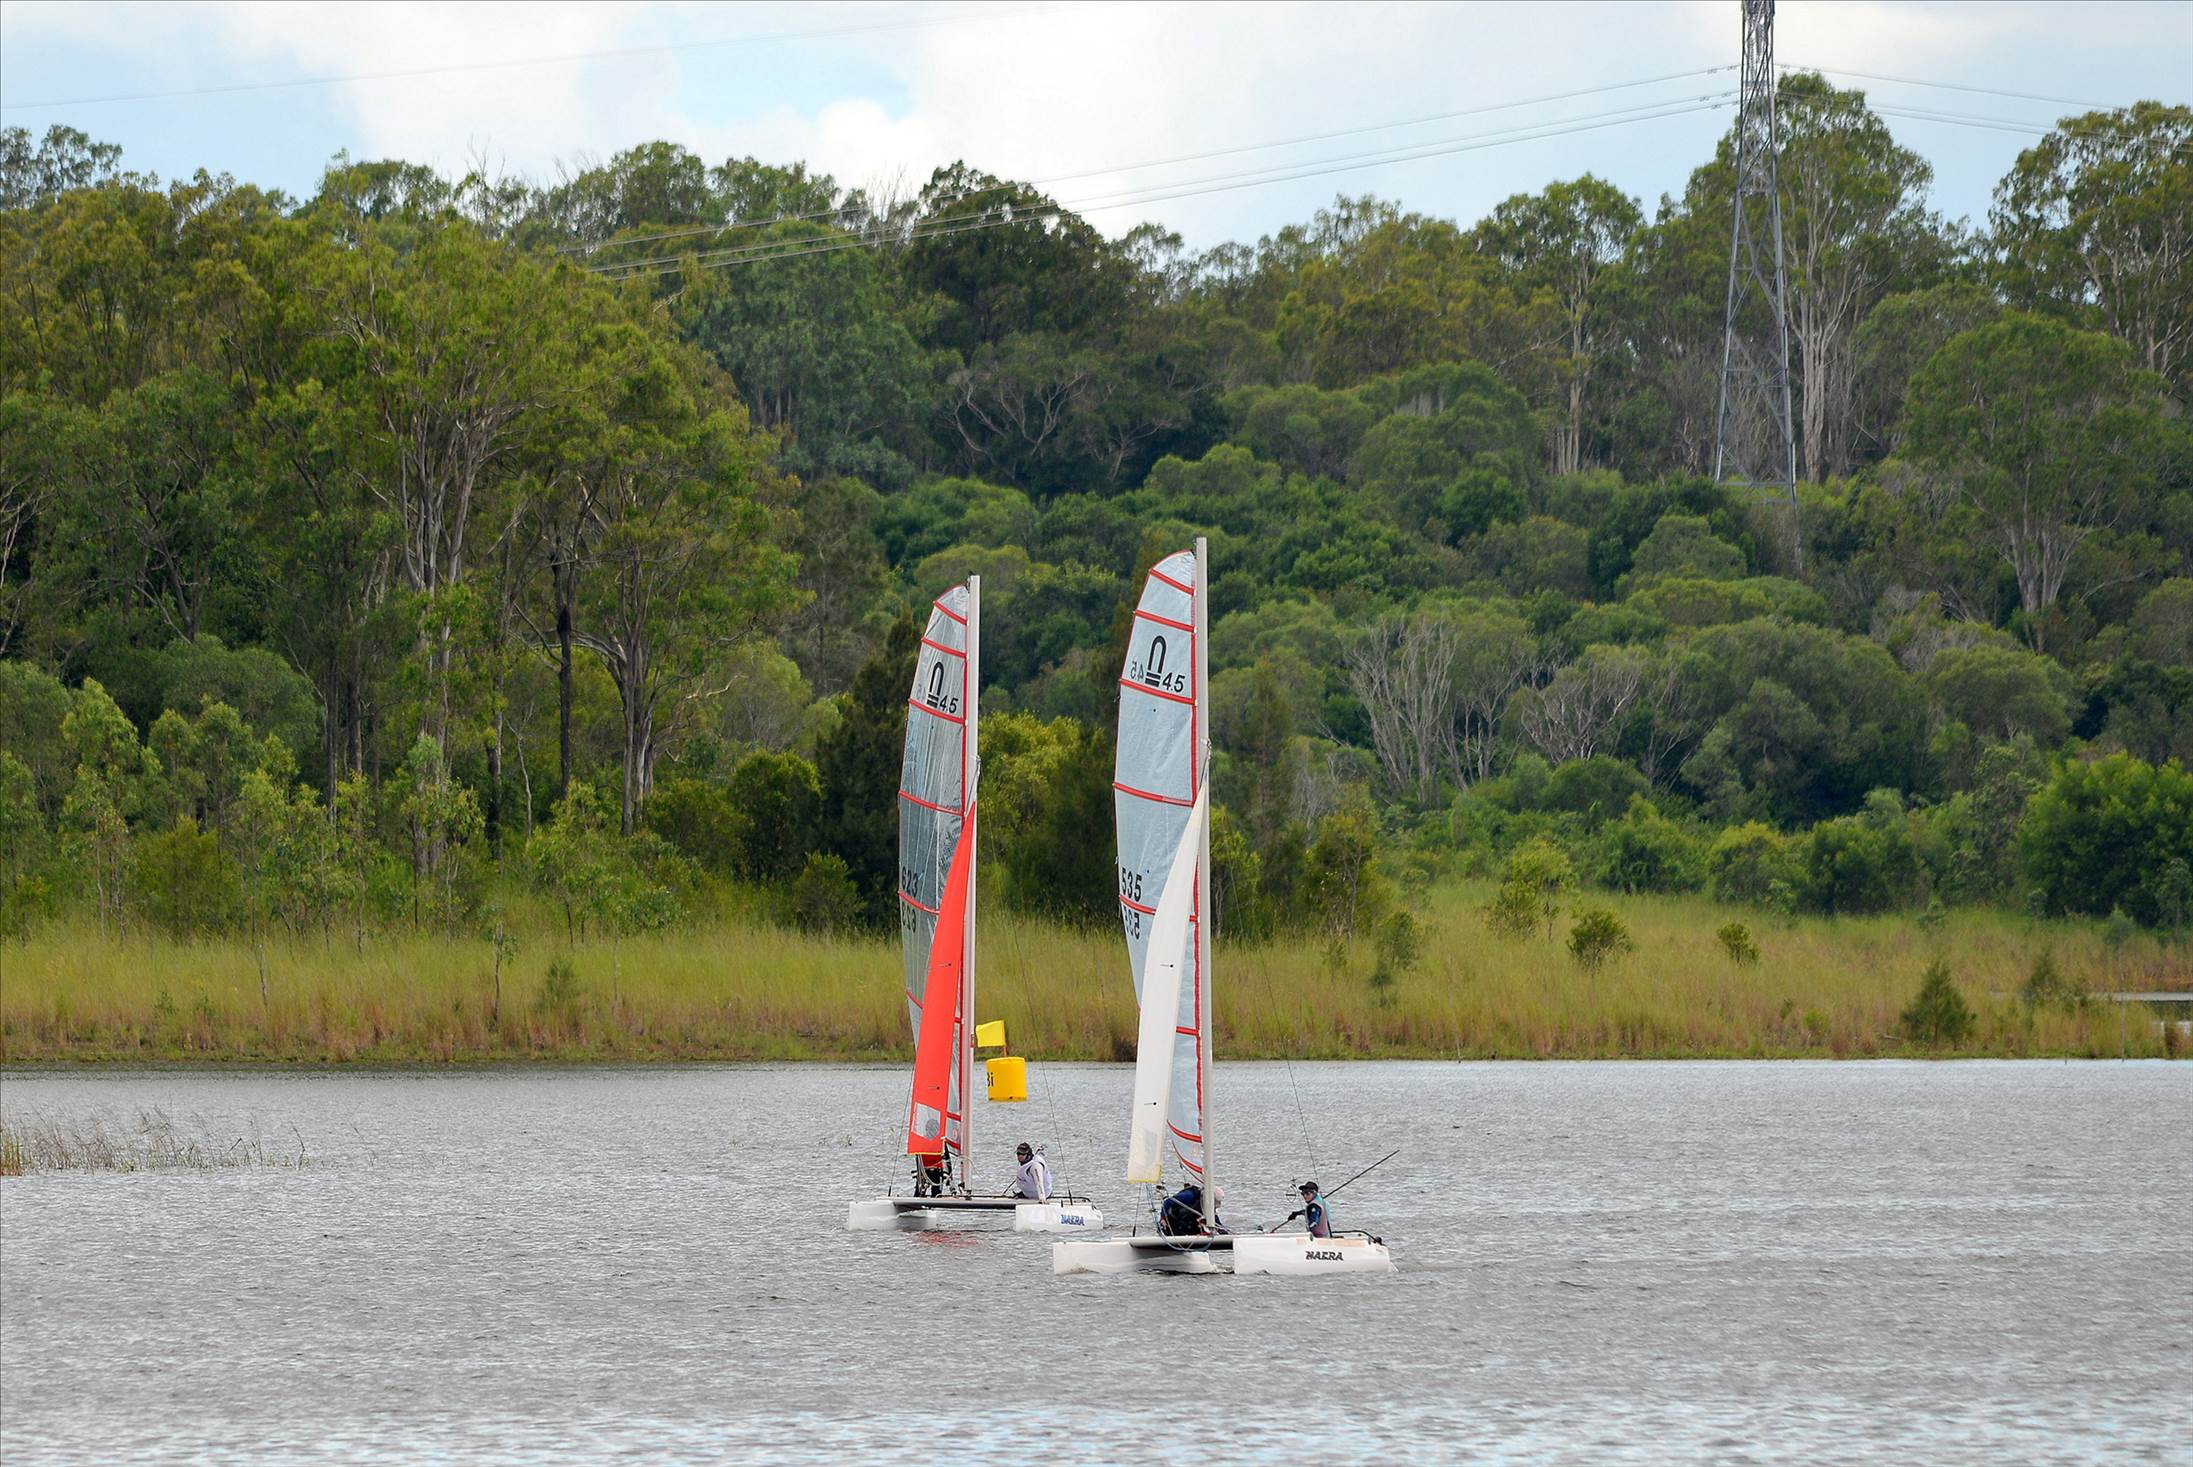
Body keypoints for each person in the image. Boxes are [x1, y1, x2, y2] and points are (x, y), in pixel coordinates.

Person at [1155, 1182, 1227, 1236]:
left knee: (1206, 1230)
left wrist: (1228, 1235)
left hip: (1186, 1225)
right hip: (1171, 1224)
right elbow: (1167, 1202)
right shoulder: (1189, 1195)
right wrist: (1162, 1218)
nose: (1216, 1205)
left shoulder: (1208, 1207)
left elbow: (1217, 1224)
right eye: (1215, 1202)